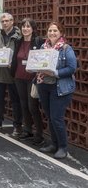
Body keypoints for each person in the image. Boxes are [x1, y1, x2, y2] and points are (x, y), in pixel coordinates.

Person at [37, 22, 77, 159]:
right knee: (50, 117)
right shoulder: (44, 47)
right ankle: (53, 144)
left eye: (55, 30)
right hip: (44, 86)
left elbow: (72, 68)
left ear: (61, 33)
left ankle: (63, 147)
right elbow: (39, 63)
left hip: (60, 88)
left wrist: (54, 73)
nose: (52, 33)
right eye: (50, 30)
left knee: (57, 118)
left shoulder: (66, 48)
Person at [10, 18, 45, 145]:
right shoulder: (18, 41)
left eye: (28, 26)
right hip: (19, 77)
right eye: (23, 26)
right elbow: (16, 57)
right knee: (23, 105)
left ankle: (39, 134)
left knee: (33, 106)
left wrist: (36, 69)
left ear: (33, 29)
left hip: (32, 79)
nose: (25, 29)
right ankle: (28, 130)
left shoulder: (38, 41)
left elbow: (42, 58)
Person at [0, 13, 22, 135]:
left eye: (7, 21)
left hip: (12, 74)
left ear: (12, 21)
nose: (4, 23)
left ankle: (17, 125)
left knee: (15, 100)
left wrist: (13, 64)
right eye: (2, 21)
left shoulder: (19, 36)